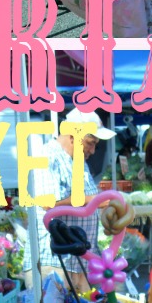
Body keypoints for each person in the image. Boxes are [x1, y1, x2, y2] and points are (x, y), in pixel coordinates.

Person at [32, 107, 116, 289]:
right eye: (90, 143)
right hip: (55, 264)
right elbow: (48, 203)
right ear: (73, 137)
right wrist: (92, 200)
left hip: (79, 262)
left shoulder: (78, 160)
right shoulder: (47, 156)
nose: (93, 150)